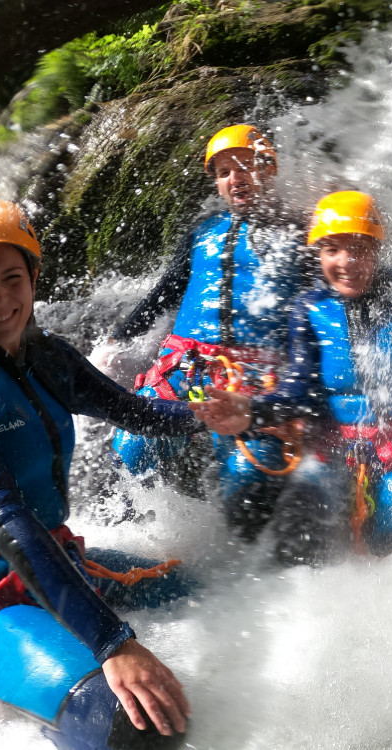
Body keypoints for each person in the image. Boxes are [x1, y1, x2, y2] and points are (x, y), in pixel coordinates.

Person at [0, 199, 196, 749]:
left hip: (56, 562)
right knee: (138, 724)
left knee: (200, 588)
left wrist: (208, 416)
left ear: (34, 277)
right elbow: (3, 515)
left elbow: (137, 414)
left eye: (11, 278)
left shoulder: (50, 358)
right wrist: (114, 643)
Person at [192, 191, 392, 561]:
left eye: (358, 249)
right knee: (301, 528)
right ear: (319, 254)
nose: (346, 262)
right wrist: (251, 411)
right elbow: (297, 392)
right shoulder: (309, 309)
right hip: (338, 451)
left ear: (375, 250)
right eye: (332, 250)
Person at [109, 124, 306, 541]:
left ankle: (244, 573)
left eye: (244, 165)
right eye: (223, 172)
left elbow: (329, 308)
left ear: (267, 168)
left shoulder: (300, 234)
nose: (235, 178)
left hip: (251, 382)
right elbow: (163, 294)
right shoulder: (203, 233)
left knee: (248, 484)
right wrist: (115, 342)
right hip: (187, 371)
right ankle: (125, 544)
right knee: (132, 449)